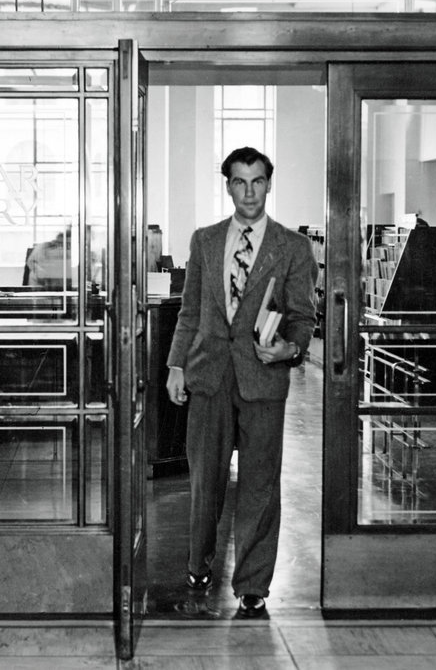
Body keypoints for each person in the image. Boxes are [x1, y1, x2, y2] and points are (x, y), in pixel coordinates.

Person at [165, 146, 317, 618]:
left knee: (259, 486)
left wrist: (289, 349)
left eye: (257, 181)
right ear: (227, 185)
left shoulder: (292, 247)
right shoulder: (205, 241)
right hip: (208, 375)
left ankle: (253, 584)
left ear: (269, 184)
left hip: (263, 379)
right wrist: (175, 365)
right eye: (239, 181)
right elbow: (191, 310)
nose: (248, 191)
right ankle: (198, 563)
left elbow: (302, 316)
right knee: (204, 480)